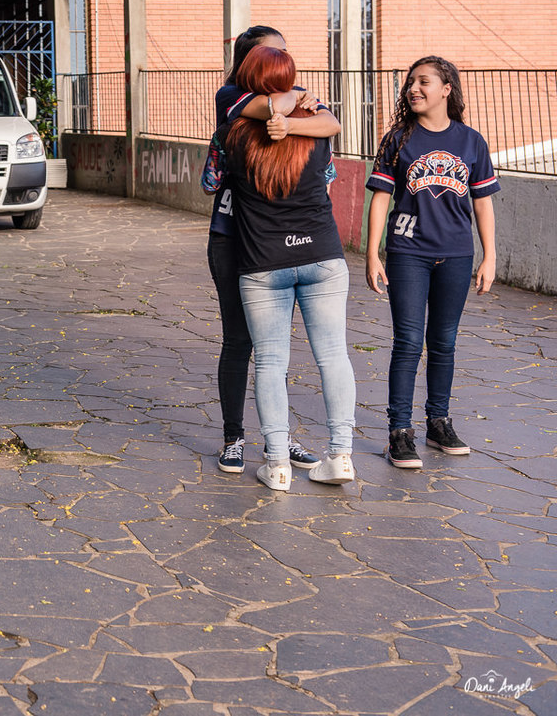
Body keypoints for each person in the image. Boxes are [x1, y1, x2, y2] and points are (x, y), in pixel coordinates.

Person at [209, 45, 357, 491]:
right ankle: (341, 456)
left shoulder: (230, 135)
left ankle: (276, 466)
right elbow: (327, 172)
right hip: (323, 256)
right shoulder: (316, 129)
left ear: (246, 81)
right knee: (333, 355)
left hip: (262, 261)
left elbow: (211, 182)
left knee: (271, 362)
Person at [365, 56, 499, 468]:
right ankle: (399, 432)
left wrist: (489, 255)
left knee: (444, 342)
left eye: (423, 81)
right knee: (408, 342)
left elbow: (483, 202)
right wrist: (373, 252)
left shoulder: (471, 141)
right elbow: (381, 198)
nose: (413, 88)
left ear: (446, 89)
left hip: (456, 254)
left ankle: (438, 423)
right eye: (410, 82)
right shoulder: (398, 139)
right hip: (408, 253)